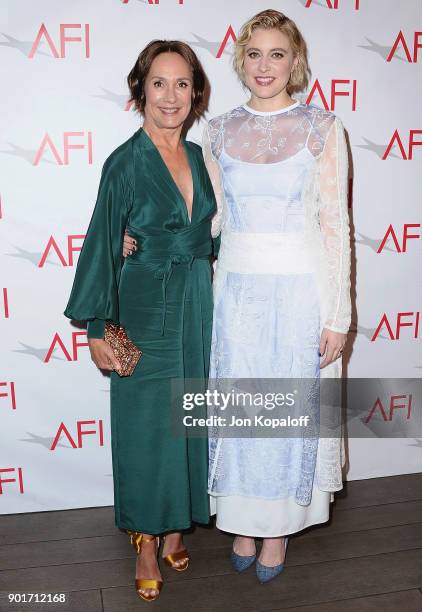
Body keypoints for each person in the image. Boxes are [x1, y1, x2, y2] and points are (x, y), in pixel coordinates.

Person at [124, 8, 351, 585]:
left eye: (278, 54)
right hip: (234, 292)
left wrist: (339, 316)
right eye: (255, 54)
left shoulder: (324, 128)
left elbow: (336, 228)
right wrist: (142, 233)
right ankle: (245, 523)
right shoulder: (217, 132)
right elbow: (211, 218)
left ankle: (276, 533)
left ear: (295, 62)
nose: (265, 65)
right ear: (240, 62)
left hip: (301, 290)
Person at [64, 40, 216, 602]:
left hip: (197, 305)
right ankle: (146, 539)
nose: (170, 96)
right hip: (146, 303)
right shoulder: (125, 162)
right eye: (159, 83)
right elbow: (102, 241)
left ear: (195, 93)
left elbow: (215, 231)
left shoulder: (202, 157)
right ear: (140, 91)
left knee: (187, 419)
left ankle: (176, 524)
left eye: (181, 84)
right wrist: (98, 325)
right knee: (146, 428)